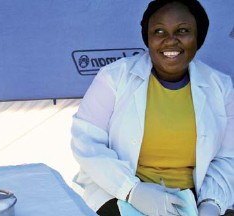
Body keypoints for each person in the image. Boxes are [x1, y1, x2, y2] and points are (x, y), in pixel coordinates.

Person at [70, 0, 234, 215]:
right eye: (159, 31)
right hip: (120, 192)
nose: (170, 40)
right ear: (147, 37)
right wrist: (133, 190)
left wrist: (212, 203)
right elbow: (87, 142)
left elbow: (227, 157)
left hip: (196, 195)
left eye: (183, 30)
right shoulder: (115, 77)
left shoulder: (220, 87)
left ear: (199, 37)